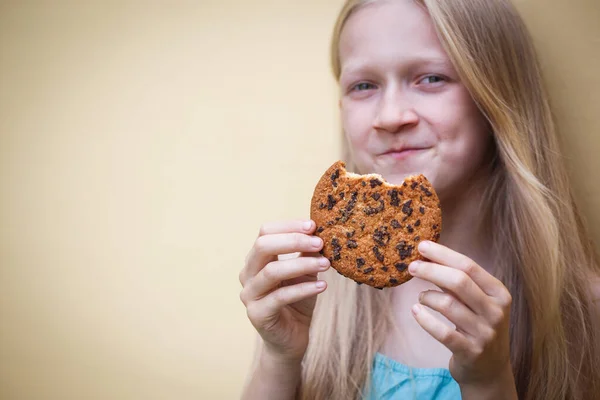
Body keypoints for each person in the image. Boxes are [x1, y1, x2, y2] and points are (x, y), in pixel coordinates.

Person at [238, 0, 600, 398]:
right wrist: (278, 357)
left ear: (495, 93)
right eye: (364, 85)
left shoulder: (584, 314)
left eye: (430, 78)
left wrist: (488, 381)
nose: (391, 116)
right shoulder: (311, 298)